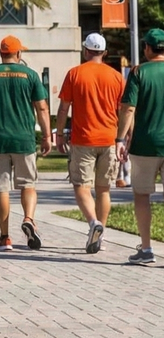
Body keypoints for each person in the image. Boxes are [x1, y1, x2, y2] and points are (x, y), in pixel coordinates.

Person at [0, 36, 51, 250]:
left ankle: (4, 237)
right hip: (24, 140)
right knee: (28, 184)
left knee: (1, 188)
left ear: (1, 54)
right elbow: (42, 108)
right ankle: (28, 218)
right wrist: (47, 136)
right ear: (18, 54)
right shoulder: (30, 75)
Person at [55, 33, 124, 254]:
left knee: (81, 187)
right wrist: (123, 138)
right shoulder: (115, 77)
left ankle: (93, 222)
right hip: (109, 139)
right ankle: (100, 237)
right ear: (104, 53)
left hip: (83, 139)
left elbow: (64, 108)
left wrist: (59, 134)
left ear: (85, 51)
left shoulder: (75, 74)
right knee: (104, 190)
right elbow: (124, 110)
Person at [115, 28, 164, 264]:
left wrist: (120, 139)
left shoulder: (138, 72)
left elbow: (128, 108)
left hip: (144, 145)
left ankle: (146, 249)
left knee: (142, 195)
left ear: (147, 48)